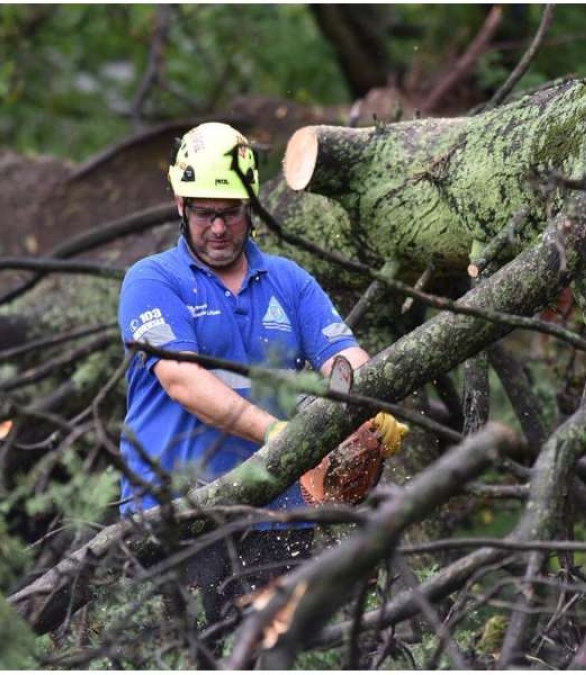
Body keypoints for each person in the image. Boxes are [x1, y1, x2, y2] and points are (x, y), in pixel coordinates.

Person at [116, 122, 398, 657]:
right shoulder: (152, 281)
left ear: (252, 207)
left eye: (230, 212)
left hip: (276, 511)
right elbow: (181, 379)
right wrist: (280, 436)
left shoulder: (290, 282)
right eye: (204, 212)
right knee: (184, 657)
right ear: (180, 203)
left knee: (274, 655)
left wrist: (368, 404)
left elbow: (344, 353)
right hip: (177, 509)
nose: (218, 227)